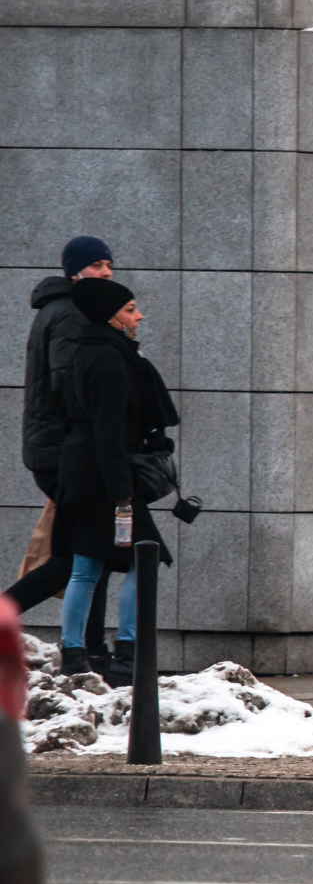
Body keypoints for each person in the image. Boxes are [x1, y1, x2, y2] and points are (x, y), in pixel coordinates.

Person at [51, 277, 177, 681]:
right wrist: (123, 495)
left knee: (87, 565)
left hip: (83, 473)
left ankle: (74, 654)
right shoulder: (110, 359)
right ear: (111, 317)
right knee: (146, 554)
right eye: (129, 310)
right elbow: (107, 432)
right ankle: (128, 654)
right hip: (106, 479)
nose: (138, 316)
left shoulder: (87, 352)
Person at [8, 237, 117, 651]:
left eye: (108, 264)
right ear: (75, 272)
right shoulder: (72, 314)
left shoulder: (63, 310)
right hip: (64, 451)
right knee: (77, 556)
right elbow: (71, 383)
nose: (106, 271)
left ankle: (92, 649)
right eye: (96, 265)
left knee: (91, 553)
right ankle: (88, 649)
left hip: (57, 448)